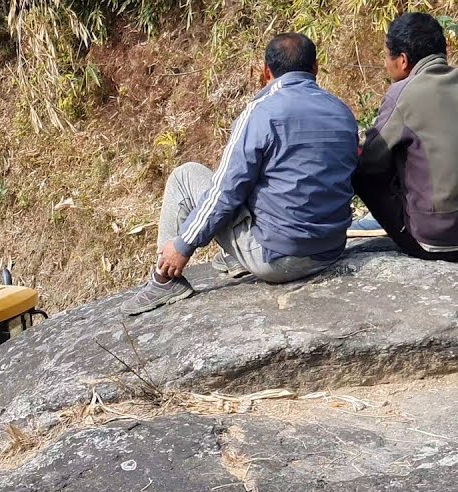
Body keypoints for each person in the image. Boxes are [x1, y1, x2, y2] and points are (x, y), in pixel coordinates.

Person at [122, 33, 359, 316]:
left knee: (186, 177)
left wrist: (182, 246)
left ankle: (164, 280)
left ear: (266, 71)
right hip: (329, 249)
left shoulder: (261, 112)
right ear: (316, 68)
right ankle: (234, 259)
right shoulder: (341, 111)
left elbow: (225, 190)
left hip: (278, 260)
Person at [354, 12, 458, 260]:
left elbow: (371, 162)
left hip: (439, 238)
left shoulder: (402, 94)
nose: (385, 63)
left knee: (362, 171)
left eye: (386, 56)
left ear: (402, 60)